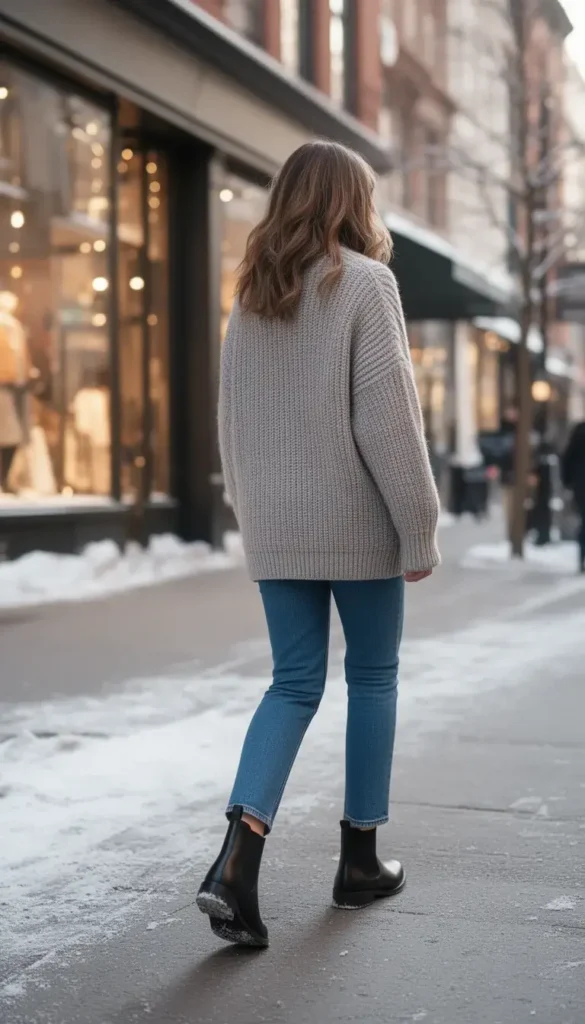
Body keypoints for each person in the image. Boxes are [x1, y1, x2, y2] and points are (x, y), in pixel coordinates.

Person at [197, 141, 440, 948]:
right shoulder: (366, 283)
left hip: (276, 524)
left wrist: (251, 515)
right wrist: (419, 525)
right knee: (372, 678)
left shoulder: (251, 294)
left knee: (291, 685)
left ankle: (235, 861)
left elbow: (230, 423)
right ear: (350, 202)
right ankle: (359, 860)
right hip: (355, 522)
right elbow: (390, 423)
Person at [561, 422, 585, 573]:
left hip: (580, 484)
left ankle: (582, 557)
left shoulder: (579, 431)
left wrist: (567, 481)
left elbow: (567, 458)